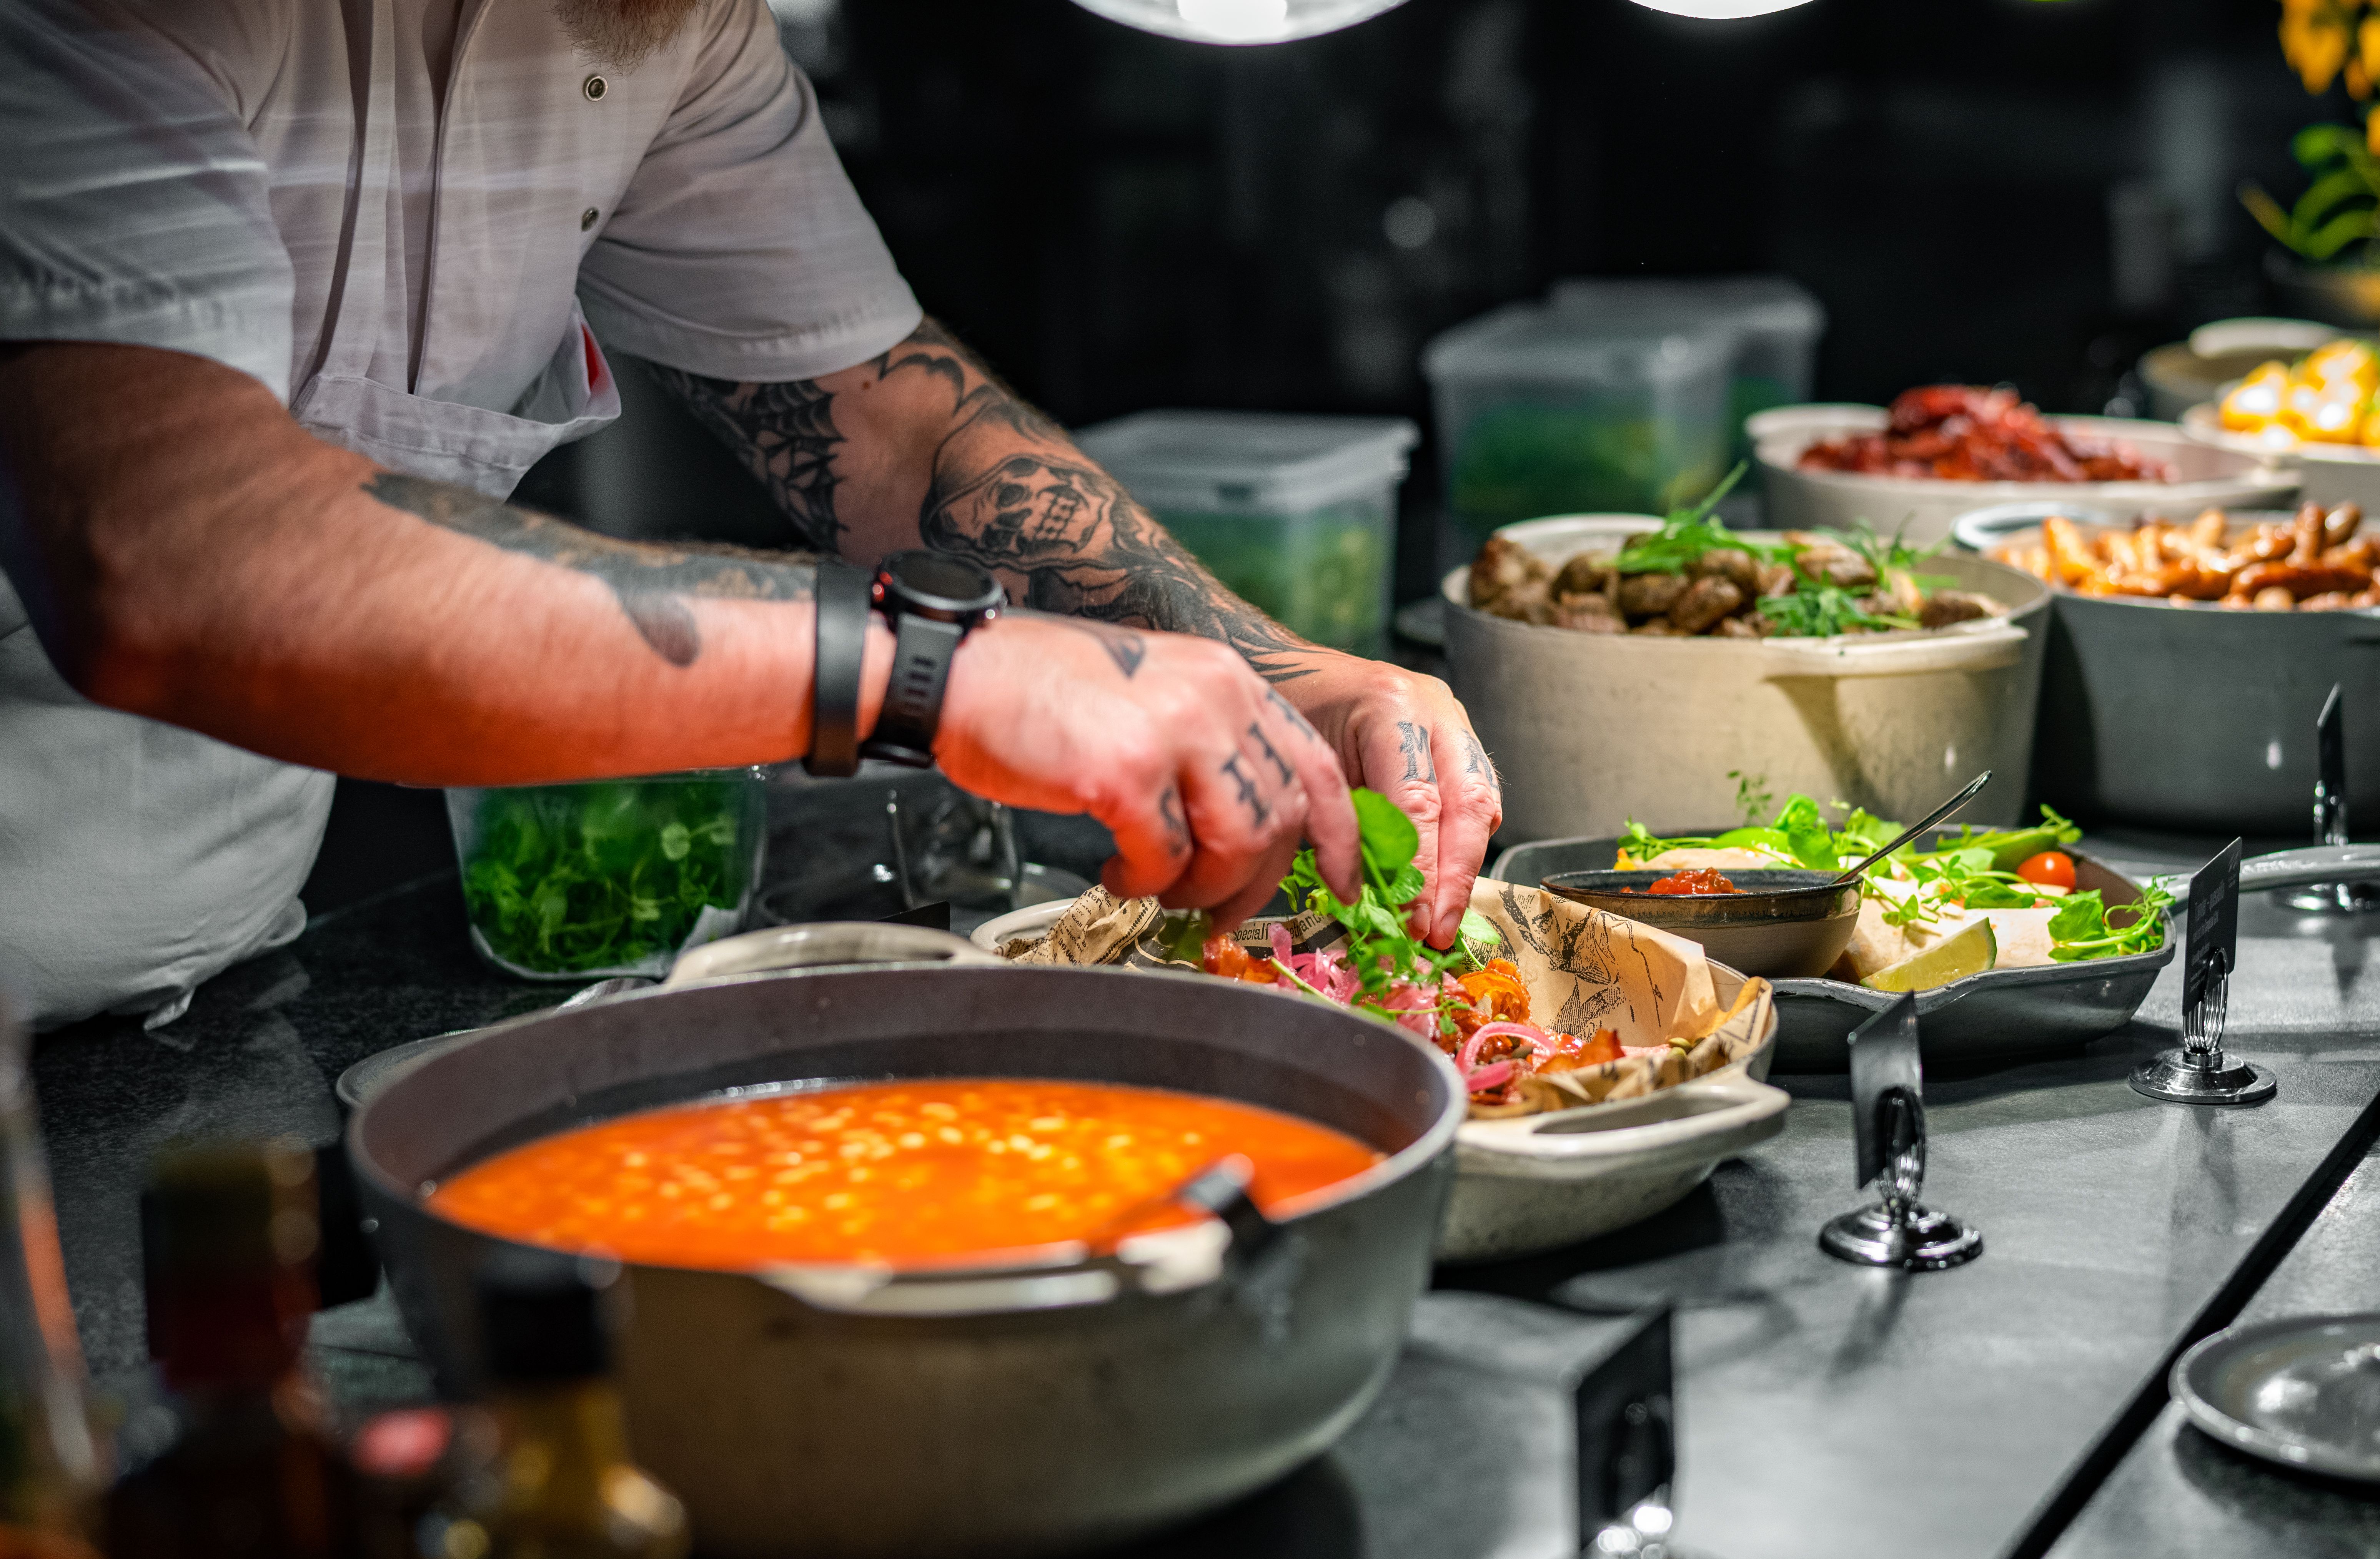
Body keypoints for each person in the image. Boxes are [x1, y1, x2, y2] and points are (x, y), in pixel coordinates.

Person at [0, 0, 1501, 1032]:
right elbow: (170, 548)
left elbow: (893, 427)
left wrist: (1285, 682)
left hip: (202, 1018)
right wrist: (935, 667)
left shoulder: (666, 26)